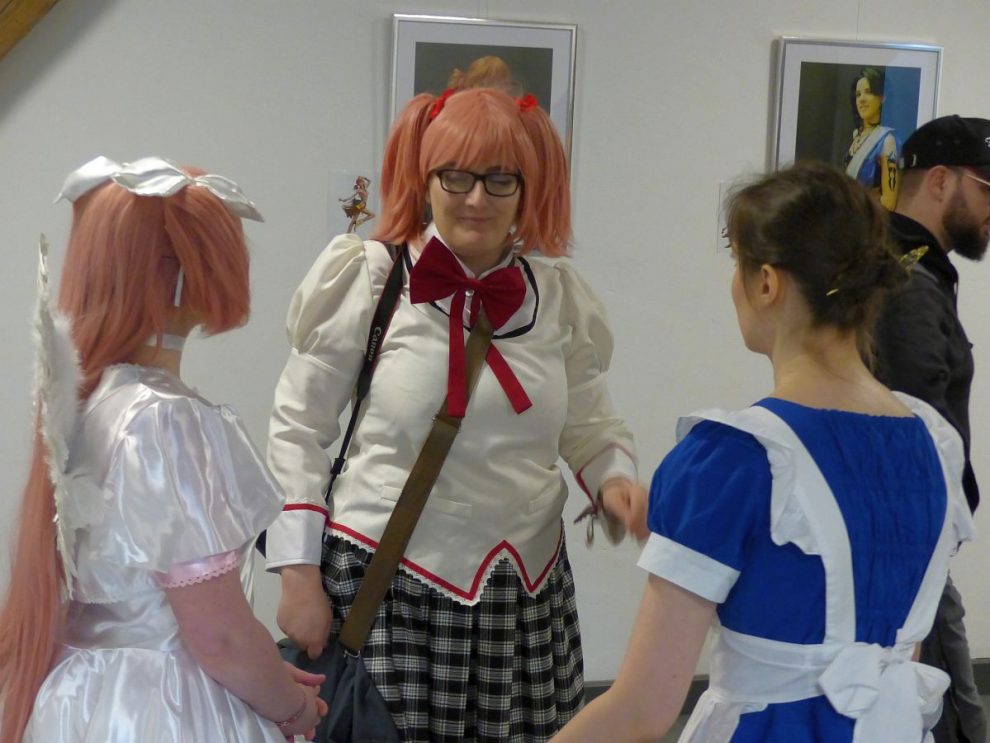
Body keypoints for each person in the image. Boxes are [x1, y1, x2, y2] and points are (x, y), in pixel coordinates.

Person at [265, 87, 646, 742]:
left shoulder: (556, 297)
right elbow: (297, 425)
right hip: (390, 588)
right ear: (425, 178)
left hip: (524, 598)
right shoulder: (371, 278)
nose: (476, 198)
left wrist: (614, 483)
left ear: (528, 189)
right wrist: (298, 575)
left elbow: (590, 424)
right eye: (456, 176)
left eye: (500, 179)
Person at [552, 161, 974, 743]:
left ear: (767, 283)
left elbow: (641, 711)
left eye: (738, 264)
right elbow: (887, 640)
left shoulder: (731, 460)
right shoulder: (932, 443)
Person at [0, 156, 326, 742]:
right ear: (184, 275)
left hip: (82, 700)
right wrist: (290, 708)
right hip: (167, 706)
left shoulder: (92, 406)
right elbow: (219, 636)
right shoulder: (165, 419)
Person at [873, 115, 990, 743]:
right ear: (941, 181)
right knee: (949, 720)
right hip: (909, 550)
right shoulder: (907, 285)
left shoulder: (905, 269)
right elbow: (917, 434)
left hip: (907, 547)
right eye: (988, 188)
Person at [843, 67, 900, 210]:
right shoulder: (856, 135)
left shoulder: (887, 141)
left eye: (868, 92)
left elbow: (889, 203)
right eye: (858, 94)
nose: (861, 99)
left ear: (882, 97)